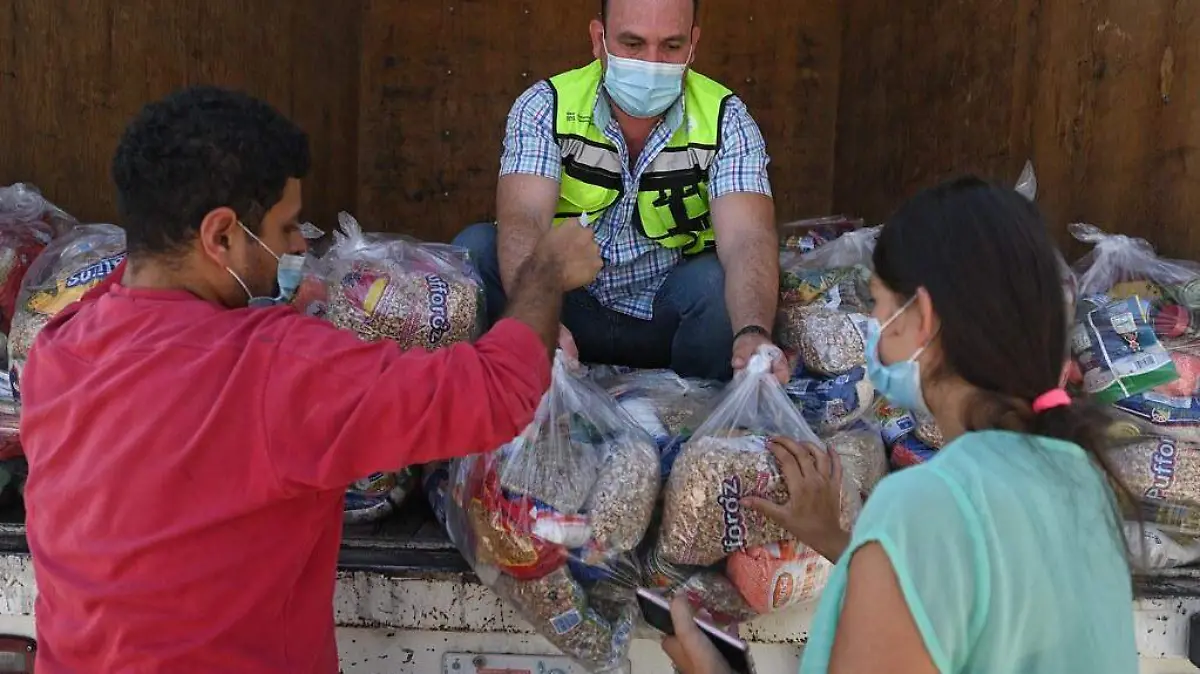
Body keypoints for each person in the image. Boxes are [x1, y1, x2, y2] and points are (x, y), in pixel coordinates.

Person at [19, 86, 602, 673]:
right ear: (221, 236)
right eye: (287, 227)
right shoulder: (280, 369)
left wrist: (268, 311)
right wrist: (545, 273)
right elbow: (496, 391)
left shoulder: (58, 346)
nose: (300, 245)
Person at [662, 177, 1138, 673]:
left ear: (923, 317)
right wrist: (839, 542)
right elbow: (970, 606)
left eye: (878, 305)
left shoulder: (924, 505)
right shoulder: (1084, 482)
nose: (873, 325)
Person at [453, 0, 787, 383]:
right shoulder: (546, 106)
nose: (652, 62)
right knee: (476, 250)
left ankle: (698, 415)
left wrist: (753, 334)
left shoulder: (727, 119)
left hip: (665, 318)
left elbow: (748, 238)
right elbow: (522, 219)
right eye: (632, 44)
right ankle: (505, 391)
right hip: (562, 310)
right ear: (599, 40)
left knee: (715, 282)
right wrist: (534, 323)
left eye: (671, 46)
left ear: (693, 45)